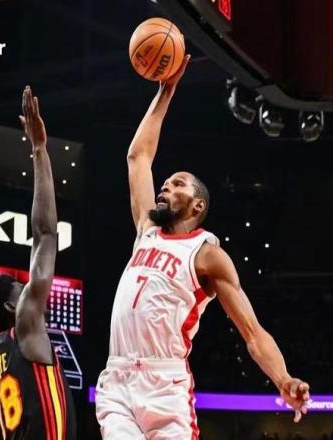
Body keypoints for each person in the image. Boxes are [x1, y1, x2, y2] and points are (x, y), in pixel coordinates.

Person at [95, 55, 310, 439]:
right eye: (166, 183)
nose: (165, 186)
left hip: (164, 386)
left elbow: (252, 332)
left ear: (197, 206)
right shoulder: (146, 230)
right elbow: (138, 157)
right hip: (117, 378)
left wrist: (283, 378)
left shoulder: (207, 254)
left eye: (177, 184)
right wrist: (166, 90)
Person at [0, 86, 76, 440]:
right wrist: (39, 149)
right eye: (22, 288)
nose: (31, 290)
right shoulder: (25, 326)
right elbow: (46, 234)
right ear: (11, 306)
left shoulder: (3, 355)